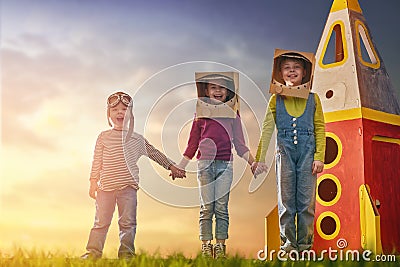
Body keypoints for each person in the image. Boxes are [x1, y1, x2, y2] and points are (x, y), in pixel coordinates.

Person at [82, 91, 185, 259]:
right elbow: (97, 161)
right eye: (115, 110)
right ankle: (93, 252)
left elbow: (154, 153)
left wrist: (172, 166)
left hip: (128, 189)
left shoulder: (137, 139)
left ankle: (127, 254)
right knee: (100, 223)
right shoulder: (103, 137)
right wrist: (93, 182)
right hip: (105, 188)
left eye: (124, 109)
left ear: (130, 115)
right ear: (109, 115)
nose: (120, 113)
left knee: (128, 223)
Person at [174, 73, 260, 258]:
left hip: (225, 165)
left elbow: (240, 144)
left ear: (228, 92)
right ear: (206, 91)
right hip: (204, 164)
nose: (218, 90)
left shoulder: (233, 113)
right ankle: (206, 245)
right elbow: (192, 143)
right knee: (207, 207)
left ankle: (220, 246)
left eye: (222, 87)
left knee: (221, 207)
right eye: (213, 87)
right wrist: (180, 166)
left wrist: (253, 163)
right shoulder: (201, 114)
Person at [253, 50, 326, 253]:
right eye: (287, 68)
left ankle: (304, 245)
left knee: (306, 201)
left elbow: (320, 127)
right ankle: (288, 245)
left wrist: (319, 157)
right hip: (284, 154)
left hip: (308, 155)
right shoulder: (275, 100)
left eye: (296, 67)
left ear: (304, 73)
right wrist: (259, 159)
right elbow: (267, 129)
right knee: (286, 200)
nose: (291, 71)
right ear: (280, 73)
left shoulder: (314, 99)